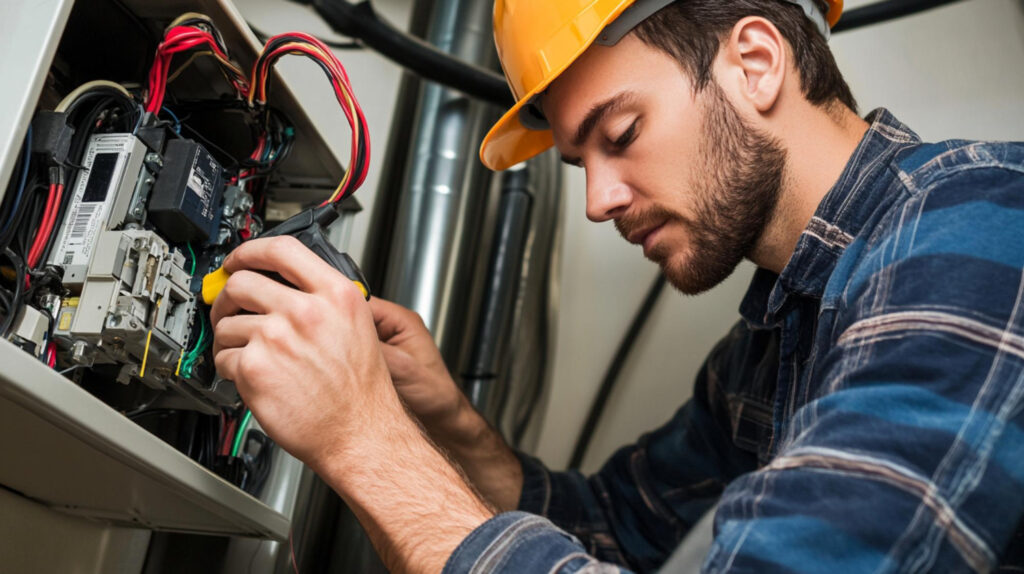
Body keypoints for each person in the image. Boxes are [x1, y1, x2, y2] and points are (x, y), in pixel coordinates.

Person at [209, 0, 1024, 571]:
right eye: (580, 164)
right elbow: (612, 529)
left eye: (622, 133)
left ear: (755, 62)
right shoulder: (769, 345)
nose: (598, 201)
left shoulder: (976, 235)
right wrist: (442, 419)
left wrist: (365, 443)